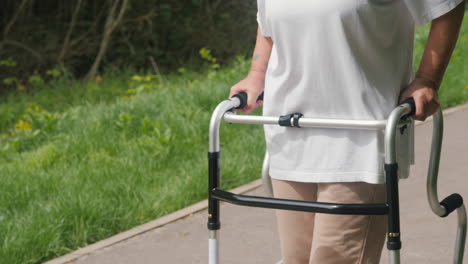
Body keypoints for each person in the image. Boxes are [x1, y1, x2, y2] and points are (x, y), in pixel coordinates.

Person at [229, 0, 466, 263]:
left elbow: (448, 5)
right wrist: (256, 73)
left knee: (334, 259)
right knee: (297, 259)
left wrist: (428, 79)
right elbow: (268, 22)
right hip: (290, 134)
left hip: (359, 138)